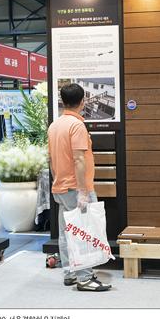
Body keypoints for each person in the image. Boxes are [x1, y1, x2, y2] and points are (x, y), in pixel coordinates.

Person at [47, 83, 112, 292]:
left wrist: (58, 180)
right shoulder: (77, 126)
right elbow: (79, 159)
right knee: (85, 232)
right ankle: (85, 278)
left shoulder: (54, 126)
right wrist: (83, 192)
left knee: (66, 232)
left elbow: (51, 159)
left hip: (60, 188)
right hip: (76, 189)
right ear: (82, 102)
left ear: (62, 101)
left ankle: (70, 273)